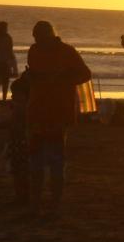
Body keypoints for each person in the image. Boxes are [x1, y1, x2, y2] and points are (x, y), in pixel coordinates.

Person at [26, 21, 92, 216]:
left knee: (55, 160)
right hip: (37, 110)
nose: (37, 40)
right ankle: (36, 203)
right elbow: (33, 75)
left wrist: (62, 77)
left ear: (49, 35)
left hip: (58, 111)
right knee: (36, 160)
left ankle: (54, 203)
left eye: (40, 36)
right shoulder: (34, 51)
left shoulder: (67, 51)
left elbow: (85, 74)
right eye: (35, 37)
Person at [0, 69, 31, 206]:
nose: (13, 96)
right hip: (19, 141)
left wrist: (2, 123)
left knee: (20, 170)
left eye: (15, 94)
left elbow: (14, 122)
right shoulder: (22, 106)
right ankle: (23, 195)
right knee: (21, 170)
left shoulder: (21, 108)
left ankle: (22, 196)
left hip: (20, 142)